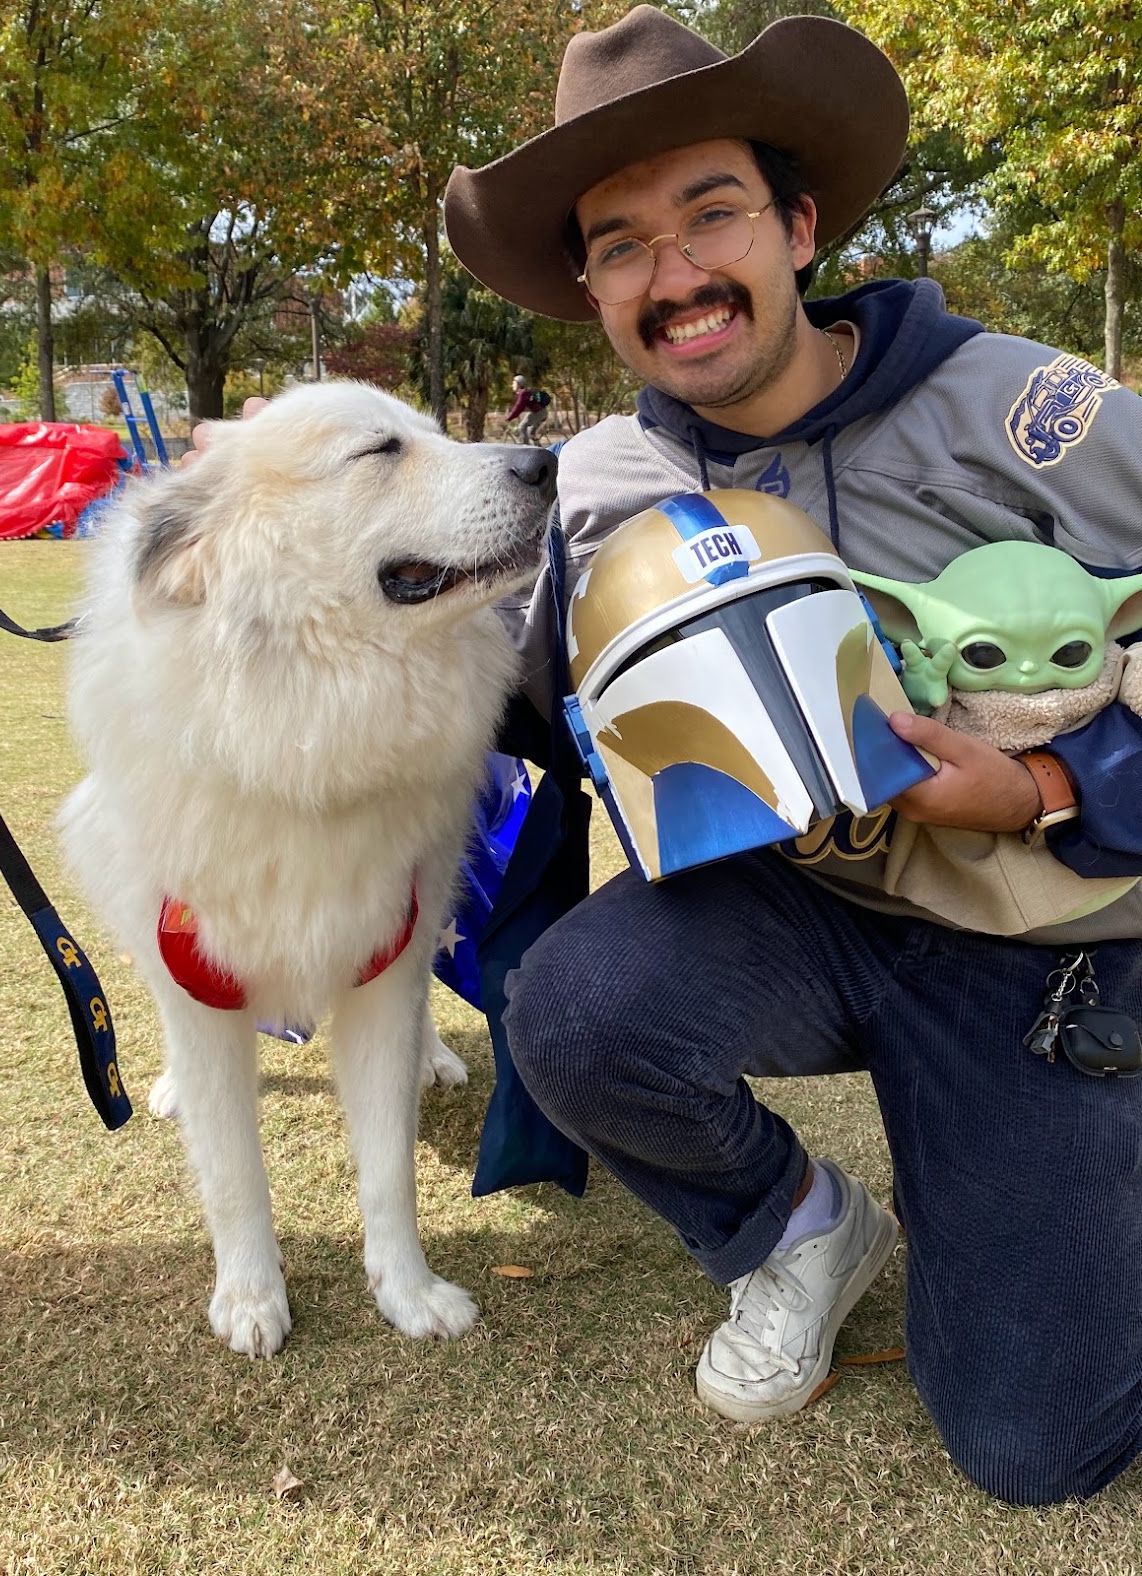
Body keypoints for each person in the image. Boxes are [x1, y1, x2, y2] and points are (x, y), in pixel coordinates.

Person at [444, 5, 1142, 1505]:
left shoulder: (1028, 415)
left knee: (1036, 1450)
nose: (675, 274)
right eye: (620, 242)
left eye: (710, 213)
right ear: (586, 285)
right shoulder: (594, 486)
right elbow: (519, 715)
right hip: (796, 918)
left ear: (799, 222)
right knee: (569, 1004)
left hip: (1045, 947)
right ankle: (796, 1229)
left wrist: (1041, 784)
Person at [504, 374, 551, 444]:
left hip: (539, 413)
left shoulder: (523, 393)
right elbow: (518, 407)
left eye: (514, 383)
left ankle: (526, 447)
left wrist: (509, 418)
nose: (512, 385)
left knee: (521, 427)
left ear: (518, 384)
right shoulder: (524, 393)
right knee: (530, 433)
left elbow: (518, 408)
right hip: (541, 413)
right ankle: (539, 450)